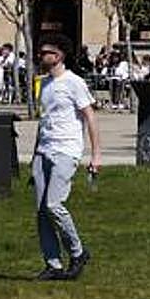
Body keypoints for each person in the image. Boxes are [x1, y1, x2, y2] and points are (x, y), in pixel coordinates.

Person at [32, 33, 101, 281]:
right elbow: (44, 122)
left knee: (54, 205)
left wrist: (96, 155)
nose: (40, 56)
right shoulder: (45, 84)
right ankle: (53, 264)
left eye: (45, 52)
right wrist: (35, 157)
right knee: (41, 212)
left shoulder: (74, 83)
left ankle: (78, 251)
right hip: (44, 152)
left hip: (66, 150)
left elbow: (90, 117)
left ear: (58, 55)